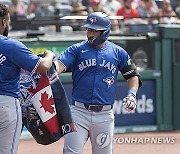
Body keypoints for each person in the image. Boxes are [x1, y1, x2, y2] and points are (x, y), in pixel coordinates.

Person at [55, 12, 142, 154]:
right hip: (78, 113)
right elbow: (59, 65)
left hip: (104, 115)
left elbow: (132, 75)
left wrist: (132, 94)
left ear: (105, 31)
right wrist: (50, 67)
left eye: (94, 30)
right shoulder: (76, 49)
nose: (90, 33)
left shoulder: (118, 52)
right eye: (89, 29)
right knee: (71, 152)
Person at [0, 3, 55, 154]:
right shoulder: (10, 45)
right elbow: (43, 66)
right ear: (3, 22)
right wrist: (49, 55)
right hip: (5, 103)